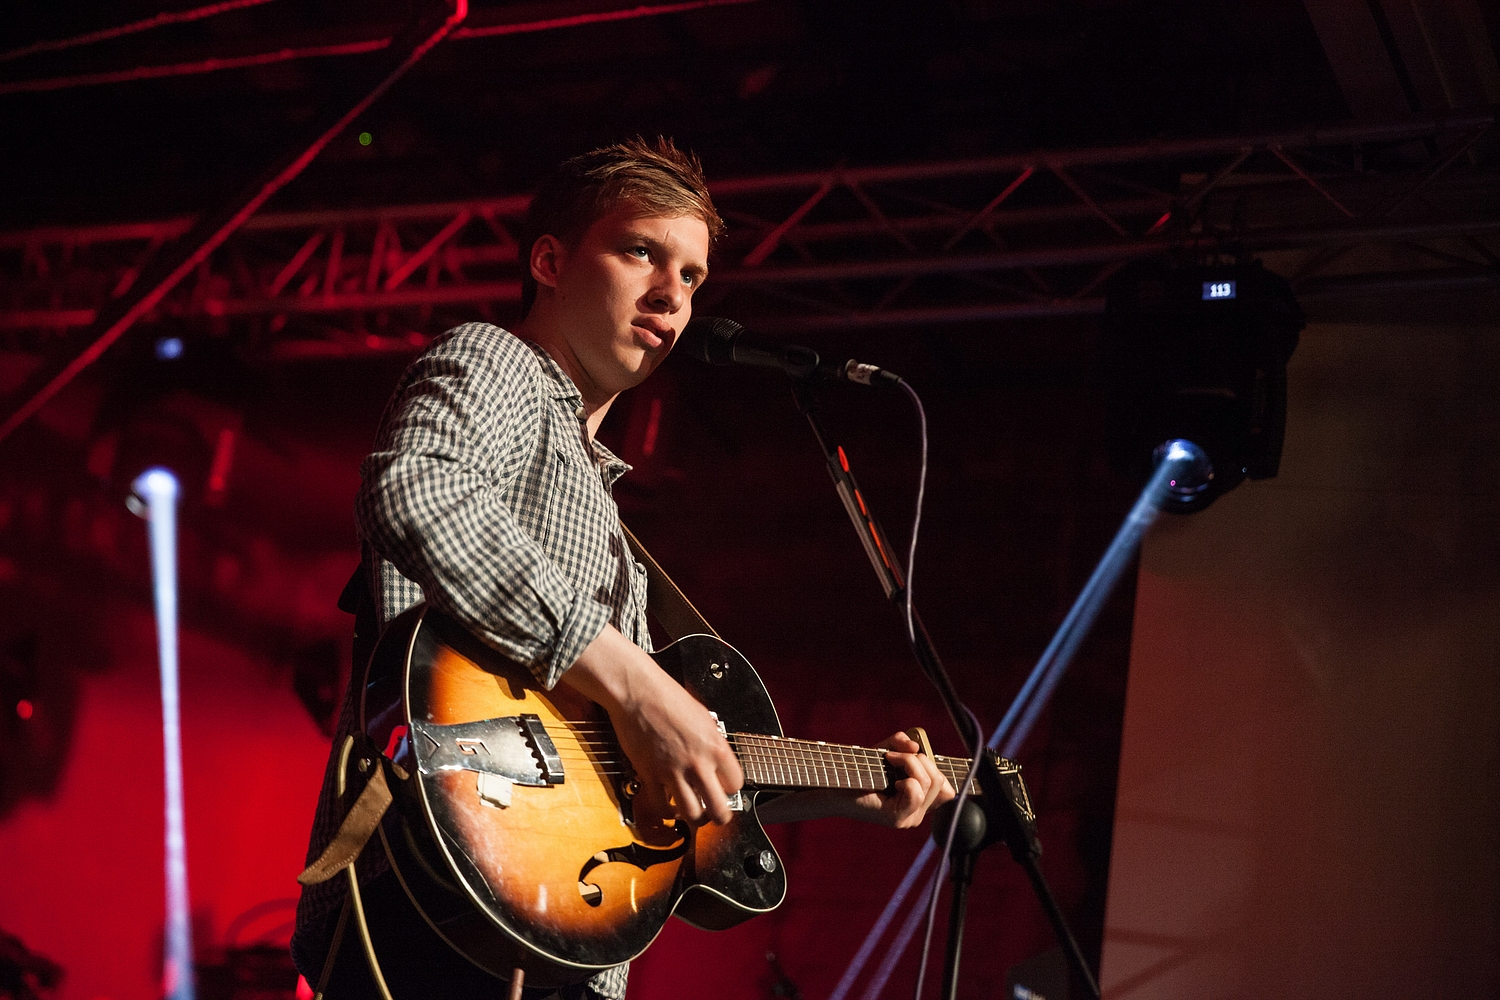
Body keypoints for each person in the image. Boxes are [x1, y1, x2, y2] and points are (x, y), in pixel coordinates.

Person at [292, 137, 954, 1000]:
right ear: (551, 260)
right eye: (643, 251)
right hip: (445, 891)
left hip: (551, 932)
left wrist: (845, 793)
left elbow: (621, 761)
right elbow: (417, 489)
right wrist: (641, 687)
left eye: (693, 277)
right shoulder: (501, 365)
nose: (672, 295)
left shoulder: (607, 523)